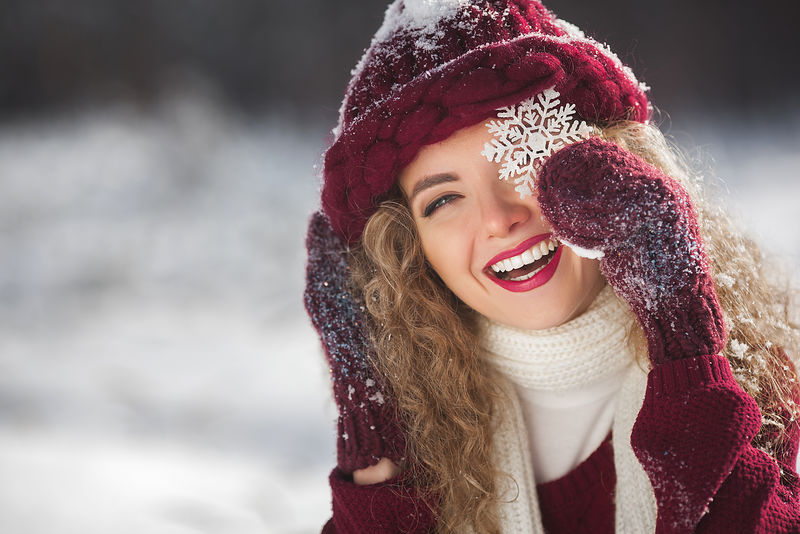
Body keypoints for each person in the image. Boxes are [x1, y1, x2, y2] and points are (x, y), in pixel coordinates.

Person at [304, 1, 800, 532]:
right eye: (443, 200)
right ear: (408, 250)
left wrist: (683, 332)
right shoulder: (421, 436)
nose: (499, 219)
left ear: (608, 161)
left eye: (518, 161)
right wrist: (375, 428)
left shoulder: (748, 386)